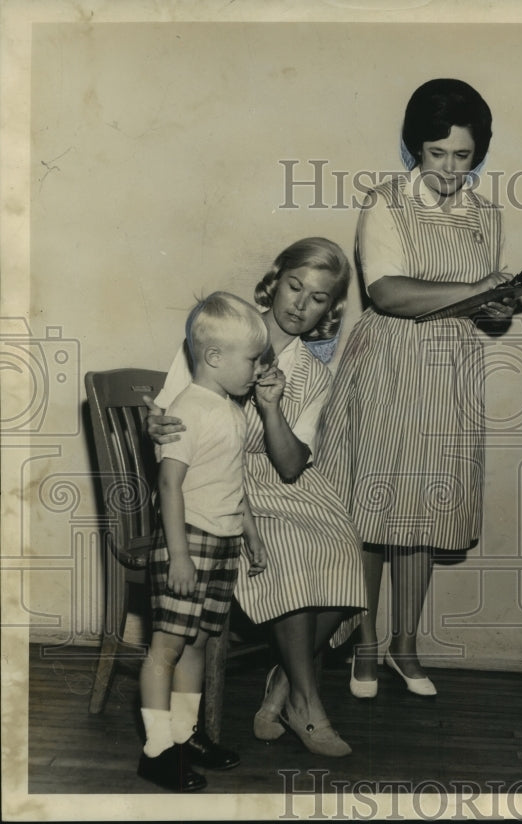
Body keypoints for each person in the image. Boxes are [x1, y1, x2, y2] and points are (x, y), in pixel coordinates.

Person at [314, 78, 515, 699]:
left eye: (464, 156)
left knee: (423, 512)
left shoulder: (487, 214)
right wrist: (476, 290)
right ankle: (366, 645)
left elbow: (495, 317)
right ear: (413, 151)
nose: (452, 170)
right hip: (388, 365)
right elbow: (388, 293)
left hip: (450, 371)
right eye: (438, 155)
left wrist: (498, 299)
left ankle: (406, 645)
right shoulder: (385, 203)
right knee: (374, 511)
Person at [145, 237, 366, 758]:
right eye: (294, 287)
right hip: (216, 485)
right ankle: (307, 705)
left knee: (343, 550)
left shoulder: (313, 373)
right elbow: (168, 411)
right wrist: (157, 423)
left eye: (317, 299)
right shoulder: (224, 331)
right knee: (290, 551)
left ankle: (285, 683)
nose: (299, 305)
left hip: (282, 482)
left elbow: (291, 464)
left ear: (329, 310)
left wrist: (271, 409)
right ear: (276, 278)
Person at [138, 291, 269, 792]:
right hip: (188, 541)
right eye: (252, 359)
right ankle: (155, 750)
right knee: (166, 648)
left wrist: (251, 532)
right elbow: (169, 486)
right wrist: (178, 555)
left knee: (196, 643)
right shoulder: (187, 410)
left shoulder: (232, 408)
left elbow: (234, 481)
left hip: (223, 539)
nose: (257, 369)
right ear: (214, 357)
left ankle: (185, 734)